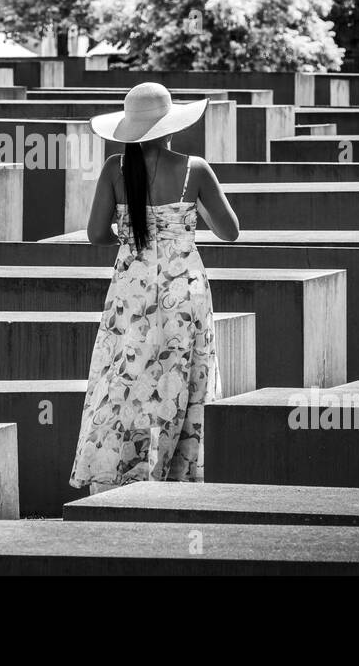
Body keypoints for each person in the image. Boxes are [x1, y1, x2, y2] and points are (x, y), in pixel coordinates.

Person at [68, 82, 240, 495]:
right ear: (170, 126)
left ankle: (120, 470)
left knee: (126, 375)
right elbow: (230, 231)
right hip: (184, 289)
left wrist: (131, 241)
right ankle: (175, 474)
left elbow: (95, 234)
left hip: (131, 287)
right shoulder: (194, 169)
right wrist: (185, 222)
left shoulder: (115, 168)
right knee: (180, 374)